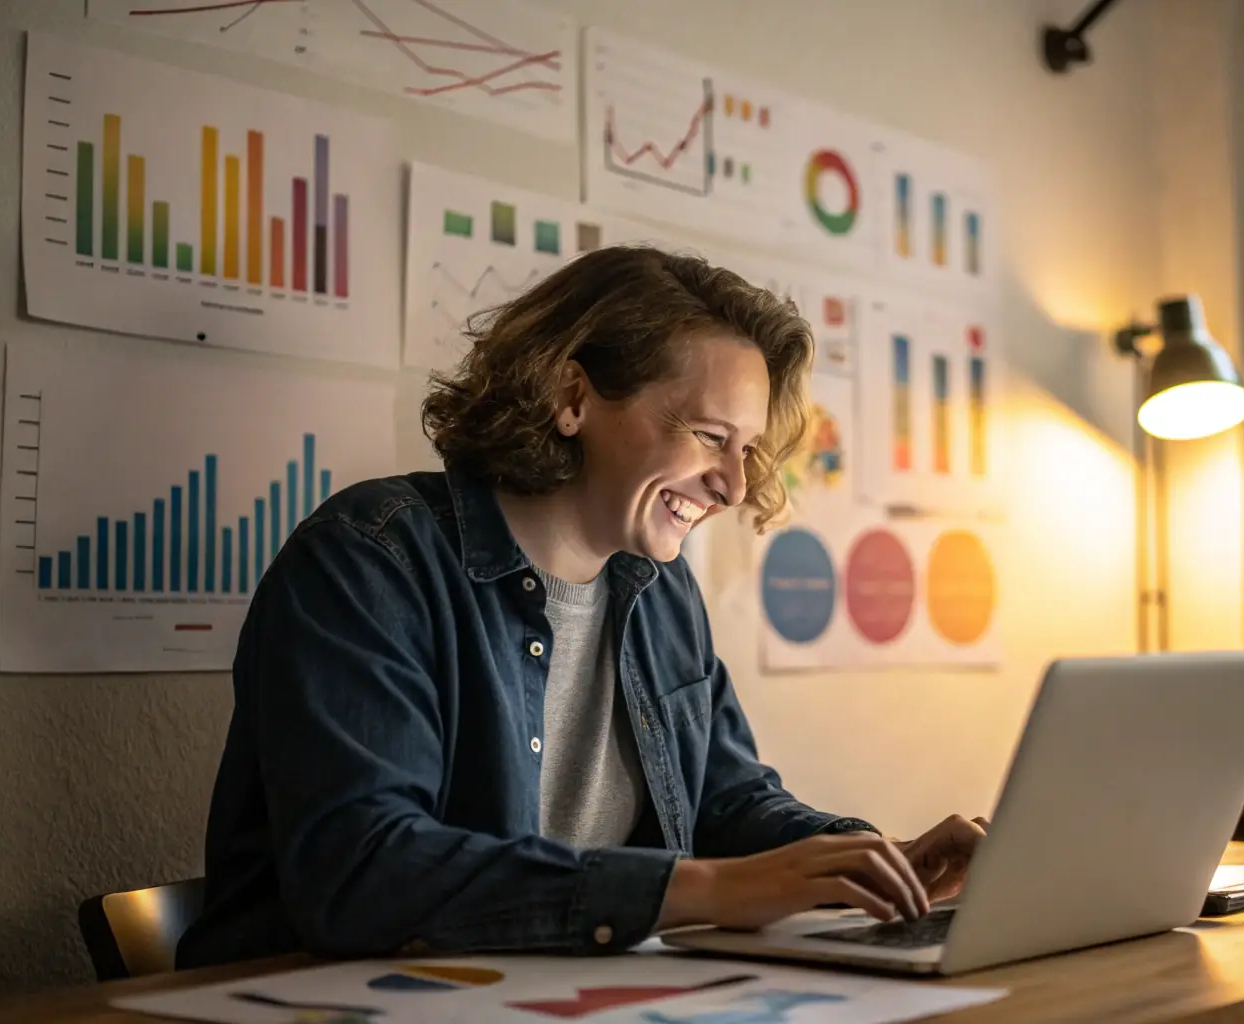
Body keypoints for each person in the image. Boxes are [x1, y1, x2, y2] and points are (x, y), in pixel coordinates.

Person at [177, 246, 988, 969]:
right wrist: (702, 889)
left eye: (746, 451)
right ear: (572, 397)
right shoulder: (369, 560)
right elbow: (366, 872)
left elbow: (726, 803)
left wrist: (875, 859)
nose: (735, 486)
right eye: (710, 436)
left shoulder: (658, 587)